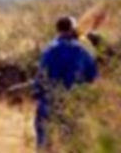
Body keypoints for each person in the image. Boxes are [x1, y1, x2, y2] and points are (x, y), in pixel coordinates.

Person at [33, 16, 98, 149]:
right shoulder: (81, 50)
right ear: (72, 29)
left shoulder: (48, 50)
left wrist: (38, 93)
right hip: (72, 99)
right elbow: (92, 75)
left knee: (44, 140)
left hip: (49, 99)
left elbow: (40, 75)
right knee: (71, 140)